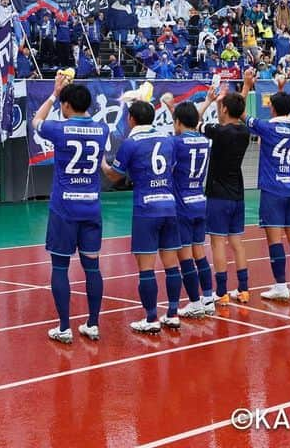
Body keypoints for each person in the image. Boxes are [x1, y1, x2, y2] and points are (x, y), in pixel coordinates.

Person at [32, 75, 109, 342]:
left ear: (66, 105)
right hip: (91, 207)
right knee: (92, 268)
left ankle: (64, 327)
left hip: (64, 207)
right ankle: (93, 323)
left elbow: (35, 122)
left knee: (61, 268)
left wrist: (54, 94)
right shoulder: (102, 130)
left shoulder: (59, 128)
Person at [101, 101, 182, 333]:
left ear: (131, 119)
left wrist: (102, 163)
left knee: (146, 268)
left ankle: (151, 318)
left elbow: (115, 176)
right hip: (169, 205)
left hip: (146, 209)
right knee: (171, 266)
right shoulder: (167, 140)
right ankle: (173, 314)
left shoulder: (130, 143)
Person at [242, 70, 290, 300]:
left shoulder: (267, 128)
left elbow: (240, 114)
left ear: (272, 108)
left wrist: (248, 85)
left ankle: (280, 286)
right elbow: (283, 112)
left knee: (274, 239)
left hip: (272, 189)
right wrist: (281, 90)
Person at [158, 94, 215, 318]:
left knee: (184, 257)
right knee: (199, 251)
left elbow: (173, 139)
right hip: (200, 201)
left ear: (178, 123)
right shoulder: (204, 140)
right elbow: (189, 126)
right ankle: (208, 297)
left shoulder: (175, 142)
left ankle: (194, 302)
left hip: (181, 205)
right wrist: (177, 114)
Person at [196, 84, 252, 306]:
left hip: (218, 195)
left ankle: (221, 292)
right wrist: (223, 100)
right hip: (237, 194)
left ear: (226, 110)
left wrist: (209, 101)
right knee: (237, 243)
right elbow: (227, 118)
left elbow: (193, 121)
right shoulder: (244, 132)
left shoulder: (218, 132)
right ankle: (244, 289)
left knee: (218, 243)